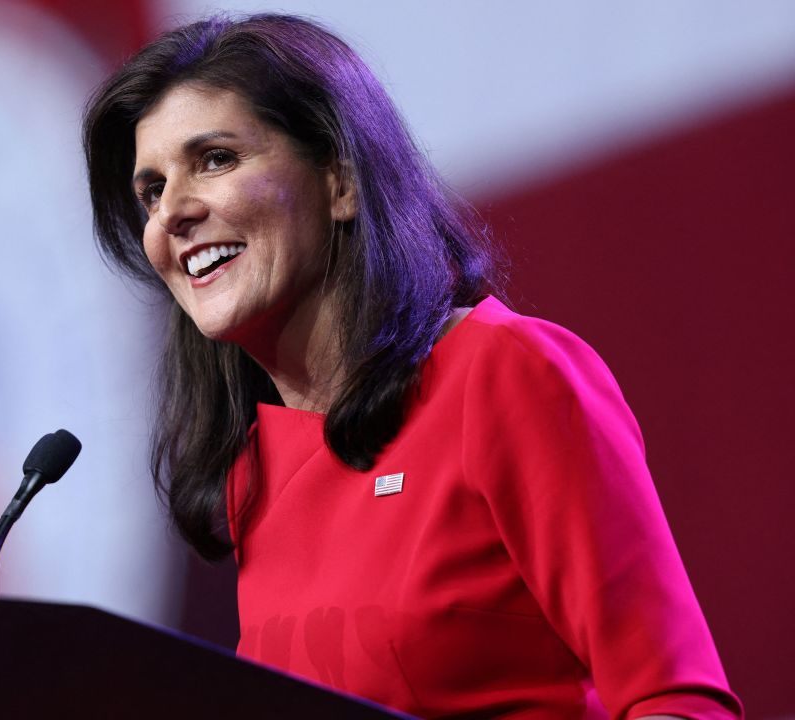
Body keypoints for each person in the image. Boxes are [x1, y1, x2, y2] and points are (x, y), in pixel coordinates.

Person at [83, 13, 741, 719]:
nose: (172, 213)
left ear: (340, 179)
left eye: (215, 158)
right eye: (151, 190)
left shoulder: (503, 374)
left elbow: (675, 699)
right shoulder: (255, 478)